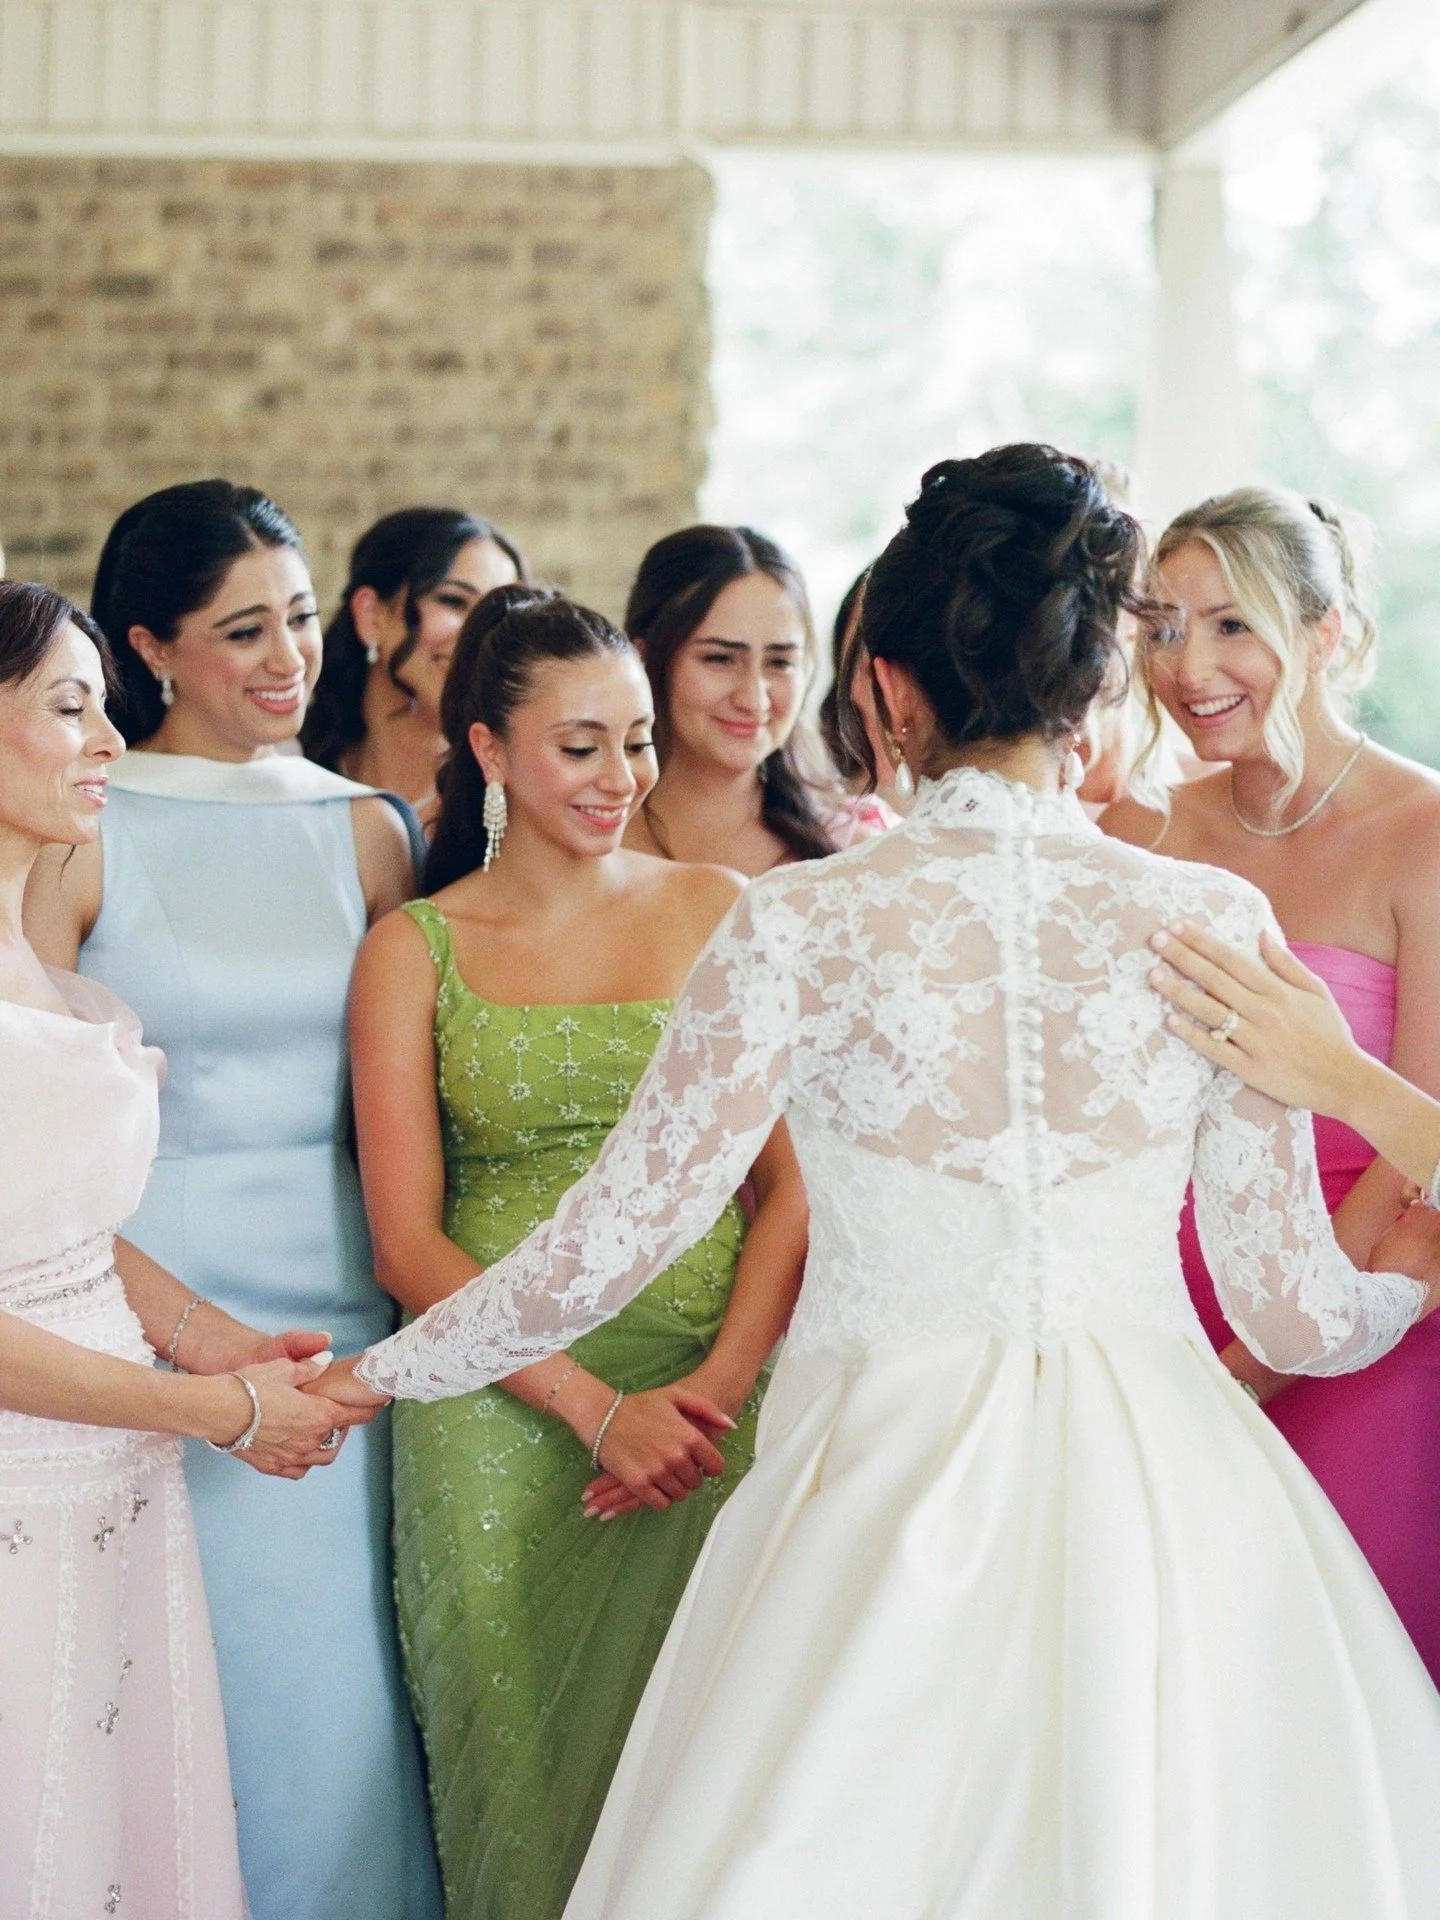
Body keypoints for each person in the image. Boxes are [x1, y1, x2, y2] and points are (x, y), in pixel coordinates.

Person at [318, 446, 1440, 1916]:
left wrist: (370, 1378)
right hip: (1170, 1487)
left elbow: (611, 1241)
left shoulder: (797, 925)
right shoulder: (1207, 915)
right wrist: (1395, 1296)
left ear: (890, 689)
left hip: (875, 1477)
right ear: (1098, 682)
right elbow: (1291, 1316)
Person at [348, 583, 809, 1919]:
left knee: (721, 1787)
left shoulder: (719, 907)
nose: (625, 776)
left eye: (638, 739)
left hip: (715, 1403)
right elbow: (404, 1243)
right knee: (525, 1775)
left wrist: (712, 1393)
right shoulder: (413, 949)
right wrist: (591, 1408)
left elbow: (788, 1192)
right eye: (581, 745)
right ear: (489, 749)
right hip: (503, 1405)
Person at [22, 483, 443, 1920]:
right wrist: (186, 1342)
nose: (288, 660)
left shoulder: (369, 831)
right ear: (150, 647)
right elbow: (31, 1112)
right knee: (196, 1714)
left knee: (344, 1727)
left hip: (344, 1331)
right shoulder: (84, 828)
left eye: (305, 621)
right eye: (242, 630)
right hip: (153, 1318)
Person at [1101, 485, 1440, 1682]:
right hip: (1163, 1322)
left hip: (1363, 1319)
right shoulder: (1141, 835)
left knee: (1340, 1679)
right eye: (1160, 624)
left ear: (1327, 634)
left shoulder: (1423, 832)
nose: (1186, 664)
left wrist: (1274, 1355)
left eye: (1230, 624)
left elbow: (1417, 1144)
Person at [621, 525, 891, 875]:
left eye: (779, 663)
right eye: (720, 659)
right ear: (643, 657)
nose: (753, 699)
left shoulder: (859, 854)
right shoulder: (584, 840)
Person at [302, 505, 526, 829]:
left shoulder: (514, 795)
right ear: (371, 615)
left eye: (499, 614)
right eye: (453, 600)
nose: (481, 632)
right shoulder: (287, 769)